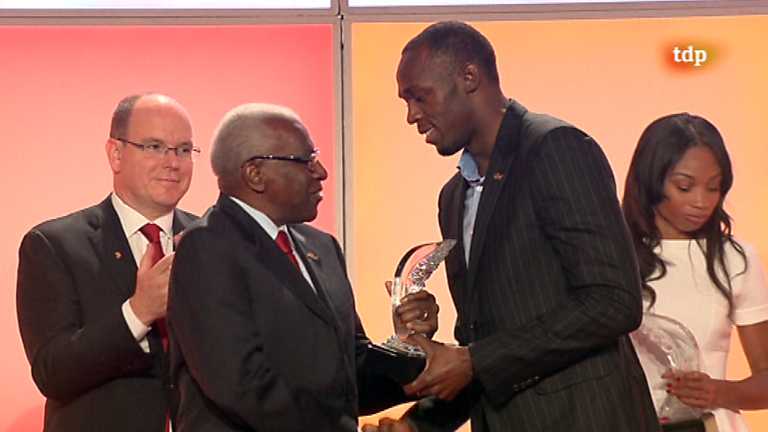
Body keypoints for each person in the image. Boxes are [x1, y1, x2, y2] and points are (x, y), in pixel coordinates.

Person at [368, 21, 659, 432]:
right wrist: (419, 425)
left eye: (419, 96)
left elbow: (613, 301)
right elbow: (487, 350)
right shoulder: (453, 197)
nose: (411, 115)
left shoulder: (555, 148)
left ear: (469, 77)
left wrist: (473, 360)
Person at [167, 103, 439, 432]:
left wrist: (418, 353)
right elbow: (245, 388)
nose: (321, 172)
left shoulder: (322, 247)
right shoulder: (207, 248)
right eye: (306, 160)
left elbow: (348, 372)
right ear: (255, 173)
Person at [16, 93, 198, 431]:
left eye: (184, 150)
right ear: (116, 154)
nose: (173, 162)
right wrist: (138, 313)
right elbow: (52, 373)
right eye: (155, 146)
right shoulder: (54, 245)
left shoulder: (210, 242)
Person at [623, 113, 768, 432]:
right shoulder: (614, 257)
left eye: (713, 187)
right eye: (684, 187)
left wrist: (719, 391)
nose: (701, 202)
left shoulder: (735, 260)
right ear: (651, 181)